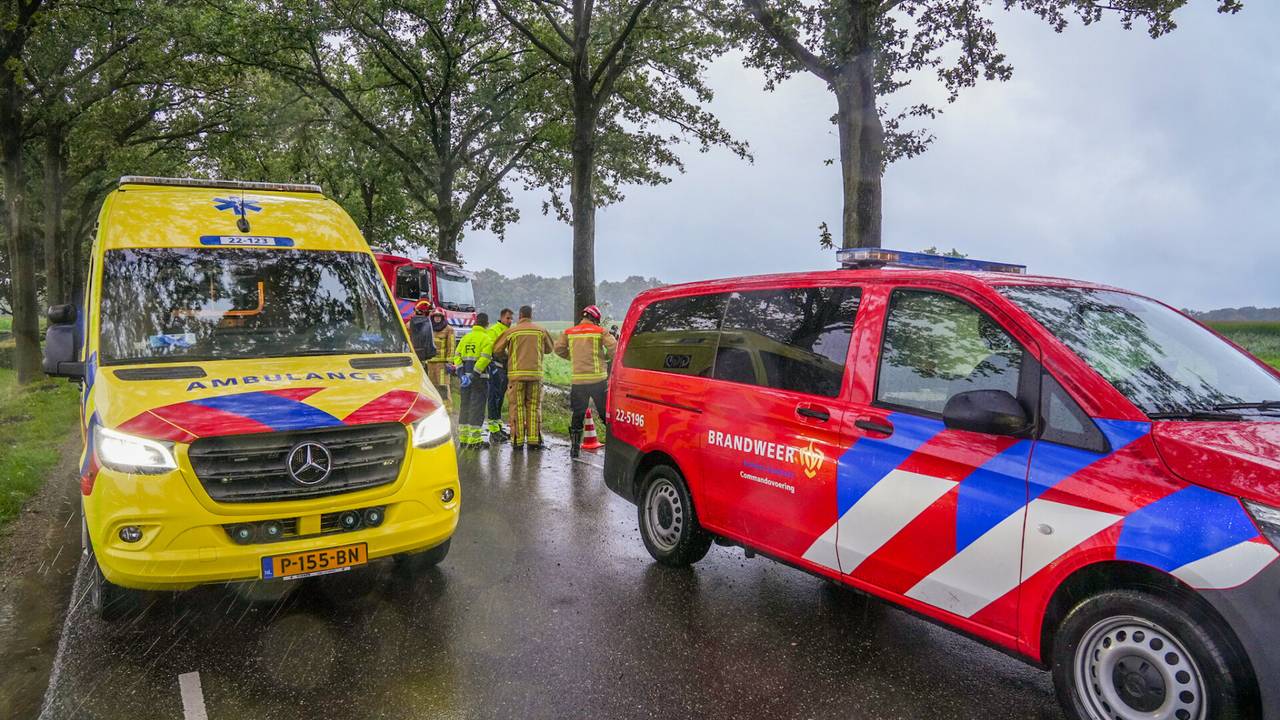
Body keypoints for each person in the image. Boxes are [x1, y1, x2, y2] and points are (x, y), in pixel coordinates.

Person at [555, 304, 617, 457]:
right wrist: (607, 359)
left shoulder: (569, 332)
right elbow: (614, 349)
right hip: (598, 381)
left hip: (578, 382)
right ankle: (614, 448)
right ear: (595, 318)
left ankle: (575, 449)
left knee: (578, 414)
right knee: (604, 414)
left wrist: (573, 357)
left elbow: (558, 349)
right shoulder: (600, 331)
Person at [492, 305, 553, 449]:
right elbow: (550, 349)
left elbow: (496, 350)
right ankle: (534, 441)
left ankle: (517, 442)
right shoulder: (541, 330)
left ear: (519, 315)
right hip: (535, 376)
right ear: (531, 315)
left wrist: (508, 356)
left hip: (516, 377)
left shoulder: (511, 331)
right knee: (533, 407)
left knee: (517, 407)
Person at [451, 313, 494, 448]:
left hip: (464, 380)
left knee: (465, 406)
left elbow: (457, 357)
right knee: (477, 408)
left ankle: (463, 439)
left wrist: (461, 374)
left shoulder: (466, 338)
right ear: (487, 324)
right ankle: (475, 441)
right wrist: (474, 374)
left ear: (475, 323)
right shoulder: (486, 339)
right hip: (479, 379)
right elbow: (485, 359)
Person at [485, 308, 514, 441]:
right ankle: (494, 432)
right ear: (501, 317)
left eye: (511, 318)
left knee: (500, 399)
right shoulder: (494, 330)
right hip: (496, 368)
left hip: (505, 367)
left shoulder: (508, 330)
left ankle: (498, 427)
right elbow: (492, 349)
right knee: (494, 398)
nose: (510, 321)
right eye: (508, 318)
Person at [425, 306, 456, 401]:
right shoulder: (428, 328)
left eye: (439, 316)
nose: (437, 318)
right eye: (435, 316)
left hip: (442, 364)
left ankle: (447, 410)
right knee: (431, 387)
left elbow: (451, 346)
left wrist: (449, 362)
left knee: (443, 387)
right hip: (430, 363)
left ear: (443, 317)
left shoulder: (449, 329)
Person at [407, 300, 437, 364]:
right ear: (424, 312)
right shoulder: (422, 323)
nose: (432, 314)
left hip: (417, 354)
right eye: (430, 312)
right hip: (419, 355)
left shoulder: (414, 322)